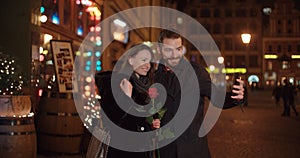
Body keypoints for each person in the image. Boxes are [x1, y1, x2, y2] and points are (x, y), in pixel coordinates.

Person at [154, 29, 245, 158]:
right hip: (167, 150)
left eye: (178, 49)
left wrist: (236, 97)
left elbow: (218, 99)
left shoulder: (197, 72)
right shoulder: (154, 76)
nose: (175, 54)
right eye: (169, 50)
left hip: (193, 149)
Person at [95, 44, 160, 158]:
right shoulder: (118, 82)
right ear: (131, 60)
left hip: (142, 147)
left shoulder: (145, 84)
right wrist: (126, 97)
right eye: (143, 60)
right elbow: (112, 120)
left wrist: (152, 123)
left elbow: (142, 116)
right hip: (123, 149)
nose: (147, 65)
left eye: (149, 61)